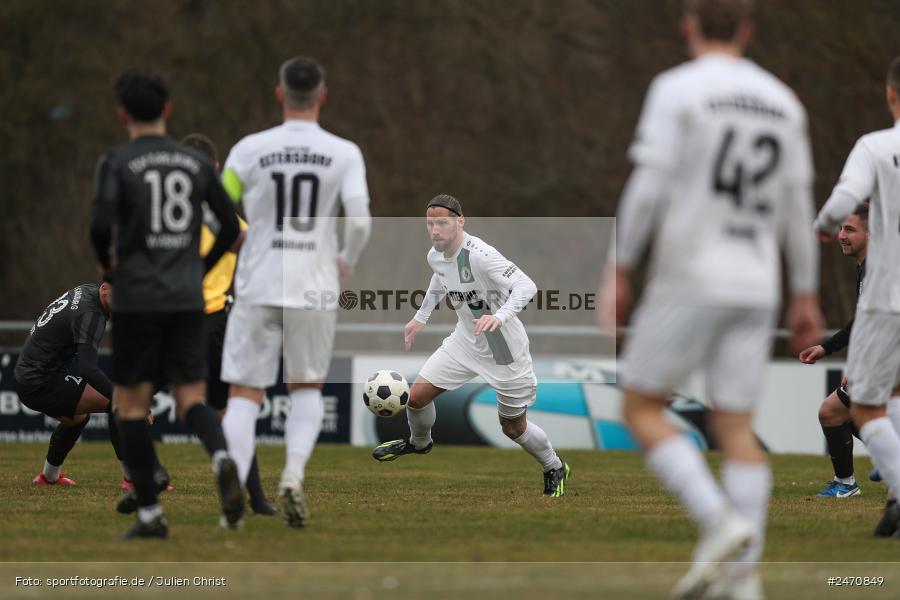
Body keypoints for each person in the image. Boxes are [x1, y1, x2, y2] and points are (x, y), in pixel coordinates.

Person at [599, 0, 822, 597]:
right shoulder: (783, 101)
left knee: (641, 409)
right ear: (747, 29)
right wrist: (804, 291)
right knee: (736, 427)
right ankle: (743, 585)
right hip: (758, 283)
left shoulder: (677, 88)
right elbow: (799, 209)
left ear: (689, 25)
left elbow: (648, 186)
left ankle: (718, 522)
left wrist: (619, 267)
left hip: (690, 274)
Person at [90, 67, 243, 539]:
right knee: (192, 399)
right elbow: (230, 225)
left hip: (138, 300)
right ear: (168, 110)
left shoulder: (116, 162)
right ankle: (221, 458)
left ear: (122, 114)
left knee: (130, 406)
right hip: (186, 299)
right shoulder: (195, 163)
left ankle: (152, 516)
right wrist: (199, 267)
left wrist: (109, 267)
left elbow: (99, 227)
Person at [220, 56, 372, 528]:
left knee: (244, 395)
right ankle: (292, 476)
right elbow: (361, 222)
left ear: (280, 93)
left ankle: (232, 491)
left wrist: (239, 237)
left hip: (259, 281)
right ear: (322, 95)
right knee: (306, 387)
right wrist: (345, 257)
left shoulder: (249, 148)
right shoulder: (344, 152)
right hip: (314, 284)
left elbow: (219, 207)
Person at [372, 195, 570, 497]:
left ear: (460, 221)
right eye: (430, 224)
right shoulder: (434, 255)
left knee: (513, 428)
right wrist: (420, 317)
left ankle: (554, 465)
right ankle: (419, 443)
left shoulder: (481, 255)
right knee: (416, 397)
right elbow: (440, 277)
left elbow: (527, 286)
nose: (435, 230)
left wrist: (500, 316)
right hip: (464, 342)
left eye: (442, 222)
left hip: (505, 351)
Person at [814, 56, 900, 538]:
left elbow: (842, 201)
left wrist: (823, 225)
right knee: (892, 397)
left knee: (864, 410)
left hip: (890, 298)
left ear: (891, 94)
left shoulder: (877, 146)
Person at [181, 132, 275, 516]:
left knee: (131, 404)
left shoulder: (171, 214)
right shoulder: (231, 221)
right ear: (216, 169)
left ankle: (146, 483)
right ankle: (258, 499)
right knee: (234, 411)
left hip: (181, 323)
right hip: (220, 323)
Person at [15, 282, 167, 490]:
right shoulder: (91, 316)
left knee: (76, 418)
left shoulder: (88, 291)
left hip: (29, 376)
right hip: (38, 380)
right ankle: (133, 479)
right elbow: (88, 369)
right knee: (116, 403)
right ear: (105, 289)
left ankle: (49, 477)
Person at [798, 204, 868, 497]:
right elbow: (863, 321)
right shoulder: (869, 267)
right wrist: (827, 347)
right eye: (840, 228)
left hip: (887, 359)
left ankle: (846, 483)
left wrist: (860, 364)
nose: (841, 235)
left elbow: (880, 322)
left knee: (832, 412)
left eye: (849, 229)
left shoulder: (879, 268)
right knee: (845, 414)